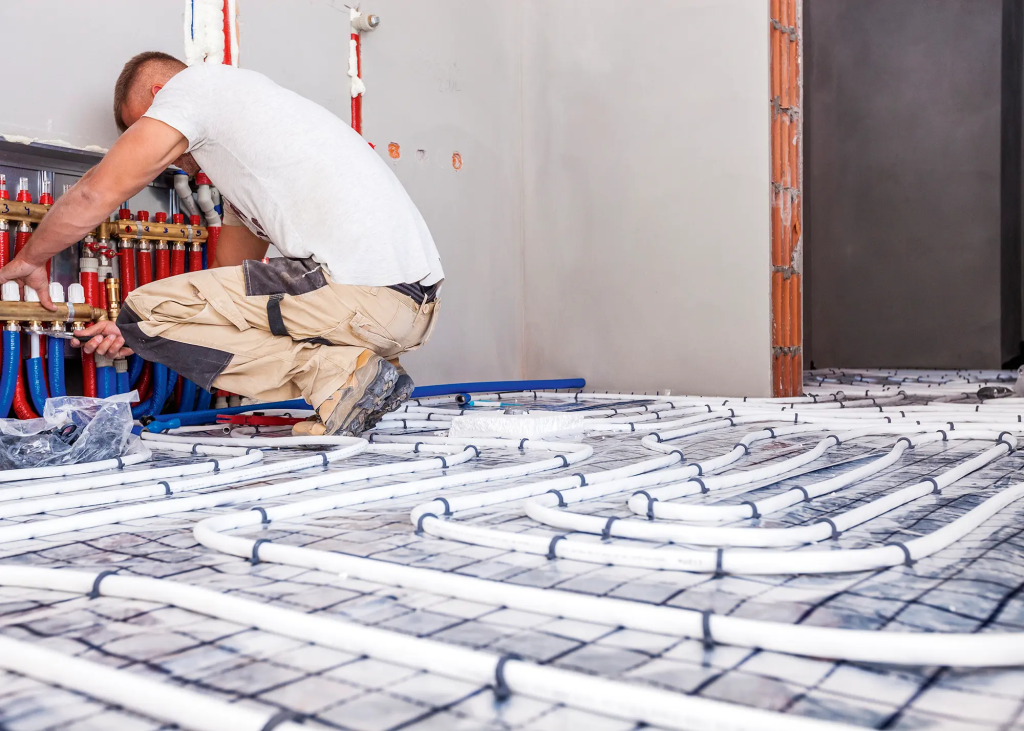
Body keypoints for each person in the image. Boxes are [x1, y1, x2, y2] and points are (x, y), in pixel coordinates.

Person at [0, 52, 443, 436]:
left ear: (160, 95)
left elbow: (94, 193)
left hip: (360, 292)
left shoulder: (196, 88)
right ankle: (365, 373)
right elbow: (226, 287)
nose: (168, 159)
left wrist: (31, 258)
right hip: (408, 310)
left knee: (143, 309)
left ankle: (341, 375)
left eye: (143, 127)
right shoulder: (250, 155)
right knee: (146, 317)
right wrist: (140, 332)